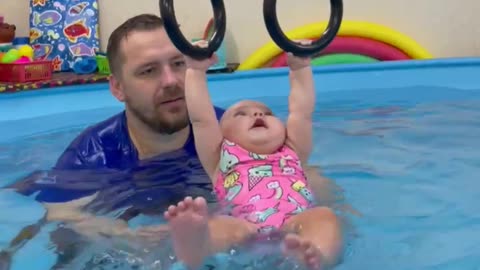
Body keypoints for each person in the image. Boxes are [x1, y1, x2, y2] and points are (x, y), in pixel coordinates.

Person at [163, 41, 343, 270]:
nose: (258, 113)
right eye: (240, 114)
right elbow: (201, 118)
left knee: (323, 217)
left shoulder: (293, 150)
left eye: (267, 113)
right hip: (244, 227)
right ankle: (195, 247)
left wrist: (300, 69)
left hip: (295, 223)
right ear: (223, 133)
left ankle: (314, 257)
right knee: (217, 226)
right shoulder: (220, 158)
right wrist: (195, 71)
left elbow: (302, 111)